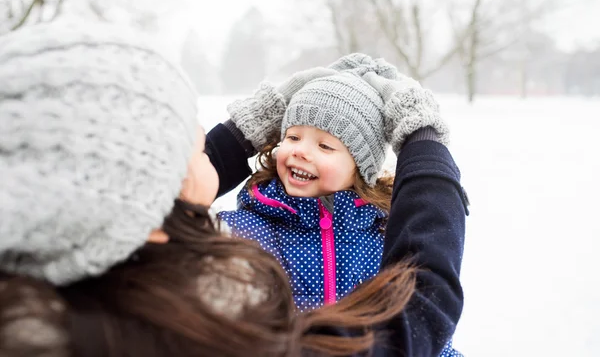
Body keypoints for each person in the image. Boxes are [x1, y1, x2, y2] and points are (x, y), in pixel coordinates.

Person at [0, 22, 466, 357]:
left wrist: (245, 129)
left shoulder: (65, 302)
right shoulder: (231, 327)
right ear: (148, 218)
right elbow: (417, 314)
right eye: (188, 142)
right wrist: (424, 146)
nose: (209, 139)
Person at [218, 54, 465, 356]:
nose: (302, 152)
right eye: (293, 136)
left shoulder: (386, 234)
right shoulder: (246, 230)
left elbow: (426, 331)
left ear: (360, 168)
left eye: (324, 145)